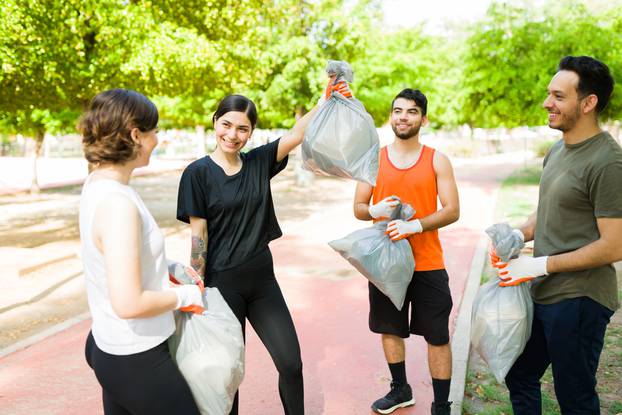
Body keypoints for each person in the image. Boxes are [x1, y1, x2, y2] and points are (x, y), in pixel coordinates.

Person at [176, 80, 351, 415]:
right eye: (226, 124)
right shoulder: (196, 173)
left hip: (262, 282)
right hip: (221, 285)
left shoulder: (258, 162)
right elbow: (199, 236)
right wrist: (196, 290)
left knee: (291, 363)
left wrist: (325, 100)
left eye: (243, 128)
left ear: (251, 132)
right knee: (226, 373)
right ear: (215, 122)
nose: (233, 134)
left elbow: (298, 133)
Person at [491, 56, 622, 414]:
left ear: (588, 102)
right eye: (549, 94)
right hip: (545, 292)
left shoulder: (608, 162)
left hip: (580, 299)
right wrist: (518, 235)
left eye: (558, 96)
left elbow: (615, 245)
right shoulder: (558, 149)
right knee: (520, 375)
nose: (547, 103)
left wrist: (539, 265)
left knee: (575, 398)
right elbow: (548, 209)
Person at [78, 89, 203, 415]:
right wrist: (186, 297)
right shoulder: (118, 203)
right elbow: (129, 302)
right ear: (136, 135)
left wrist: (170, 267)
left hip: (113, 349)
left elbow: (118, 256)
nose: (158, 140)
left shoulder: (98, 185)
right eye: (154, 131)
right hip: (136, 358)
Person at [353, 88, 460, 415]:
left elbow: (452, 210)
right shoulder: (374, 158)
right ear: (391, 117)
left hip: (427, 263)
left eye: (412, 111)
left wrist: (416, 226)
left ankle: (441, 406)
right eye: (398, 111)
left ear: (423, 119)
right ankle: (400, 390)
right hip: (386, 264)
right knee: (389, 328)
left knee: (438, 336)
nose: (403, 116)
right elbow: (358, 207)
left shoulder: (437, 159)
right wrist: (375, 210)